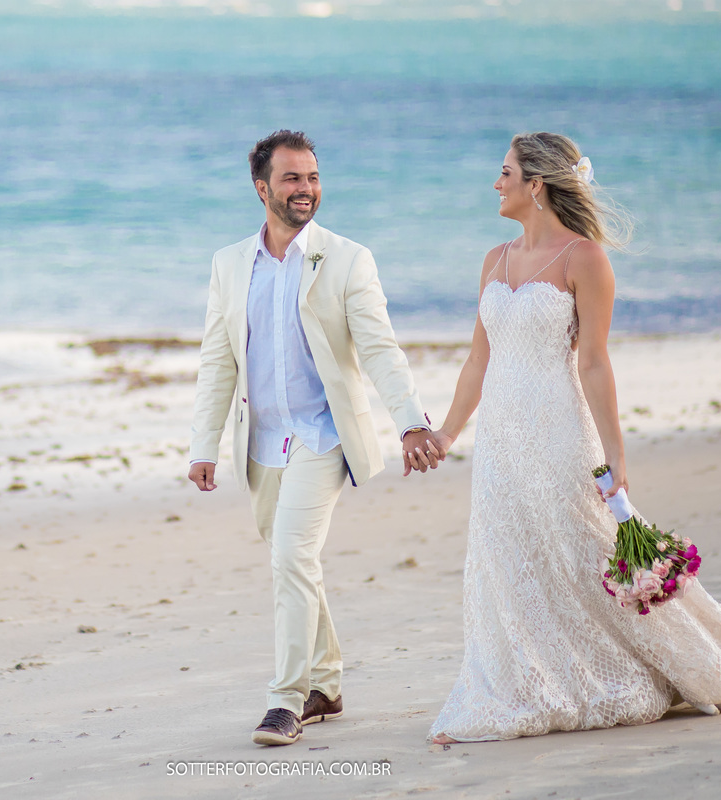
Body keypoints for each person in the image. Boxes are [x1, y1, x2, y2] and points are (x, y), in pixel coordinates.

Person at [425, 132, 721, 744]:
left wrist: (615, 452)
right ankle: (527, 683)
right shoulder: (495, 259)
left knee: (587, 553)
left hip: (560, 433)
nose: (496, 183)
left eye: (505, 172)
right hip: (499, 444)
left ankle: (689, 670)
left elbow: (594, 361)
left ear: (536, 185)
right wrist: (446, 432)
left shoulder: (585, 259)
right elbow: (477, 362)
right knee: (510, 560)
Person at [188, 130, 439, 746]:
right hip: (260, 442)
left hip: (322, 435)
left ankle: (286, 700)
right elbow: (218, 360)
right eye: (293, 178)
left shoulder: (347, 259)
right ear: (262, 188)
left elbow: (379, 349)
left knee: (291, 558)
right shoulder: (229, 264)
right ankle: (326, 685)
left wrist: (410, 420)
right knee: (292, 559)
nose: (306, 189)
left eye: (313, 178)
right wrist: (203, 445)